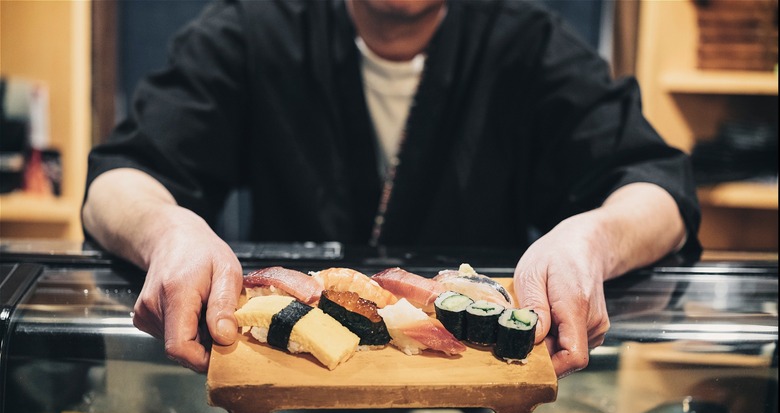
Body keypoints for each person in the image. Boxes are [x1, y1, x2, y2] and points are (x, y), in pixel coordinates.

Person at [82, 0, 701, 377]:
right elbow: (118, 179)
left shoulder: (529, 44)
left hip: (475, 402)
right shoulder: (253, 28)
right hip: (290, 387)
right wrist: (170, 231)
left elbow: (658, 190)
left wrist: (590, 239)